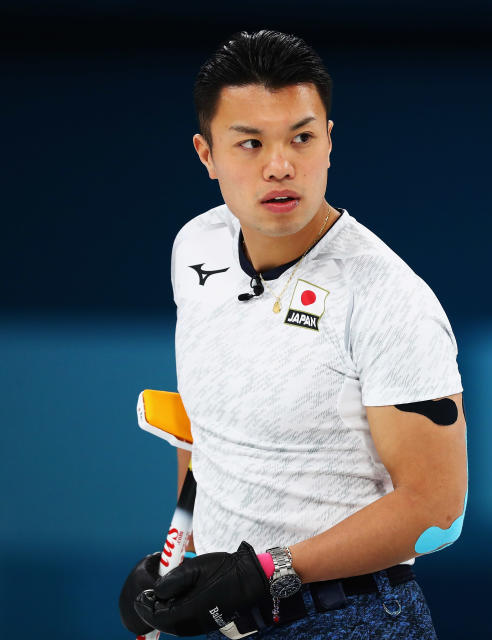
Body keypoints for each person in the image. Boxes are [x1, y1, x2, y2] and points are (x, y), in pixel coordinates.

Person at [118, 29, 468, 640]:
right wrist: (183, 561)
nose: (280, 166)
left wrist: (269, 569)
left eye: (301, 138)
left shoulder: (390, 299)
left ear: (330, 141)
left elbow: (437, 512)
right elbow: (208, 433)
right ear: (207, 155)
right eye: (249, 143)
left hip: (354, 620)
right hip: (228, 622)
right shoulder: (195, 248)